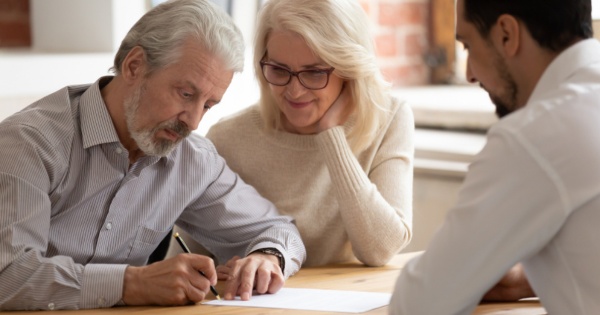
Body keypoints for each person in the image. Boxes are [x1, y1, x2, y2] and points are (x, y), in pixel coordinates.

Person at [0, 0, 306, 310]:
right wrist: (132, 283)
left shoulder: (192, 161)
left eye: (208, 105)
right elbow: (7, 275)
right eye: (185, 94)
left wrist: (268, 258)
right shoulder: (28, 143)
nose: (194, 121)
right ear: (134, 66)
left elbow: (278, 230)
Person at [390, 0, 600, 314]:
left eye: (469, 46)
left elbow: (418, 304)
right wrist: (533, 278)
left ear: (506, 34)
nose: (470, 73)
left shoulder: (533, 137)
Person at [175, 0, 414, 268]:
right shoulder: (228, 138)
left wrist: (331, 136)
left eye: (313, 73)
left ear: (349, 69)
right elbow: (190, 259)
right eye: (279, 70)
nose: (294, 91)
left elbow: (380, 250)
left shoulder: (388, 119)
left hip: (349, 302)